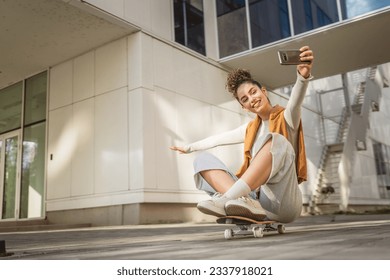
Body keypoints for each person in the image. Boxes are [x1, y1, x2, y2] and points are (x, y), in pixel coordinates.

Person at [170, 46, 314, 223]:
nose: (251, 98)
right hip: (258, 201)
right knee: (202, 161)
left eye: (253, 92)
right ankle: (243, 203)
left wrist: (302, 77)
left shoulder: (287, 117)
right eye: (245, 99)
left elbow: (295, 103)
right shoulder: (249, 130)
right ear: (243, 107)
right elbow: (217, 140)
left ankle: (228, 199)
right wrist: (188, 147)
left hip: (283, 202)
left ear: (263, 91)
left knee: (276, 140)